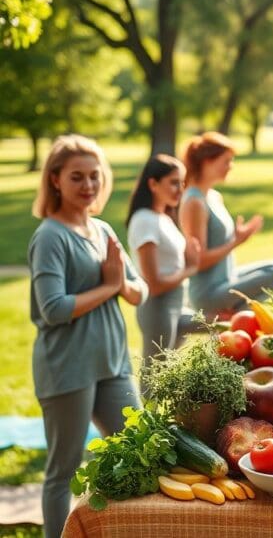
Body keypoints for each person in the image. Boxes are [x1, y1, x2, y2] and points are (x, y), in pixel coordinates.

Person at [28, 135, 147, 538]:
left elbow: (139, 289)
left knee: (138, 451)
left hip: (112, 364)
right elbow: (54, 308)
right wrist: (111, 285)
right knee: (63, 470)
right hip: (68, 368)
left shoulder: (101, 229)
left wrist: (123, 285)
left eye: (95, 176)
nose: (88, 185)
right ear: (55, 180)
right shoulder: (49, 236)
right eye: (77, 177)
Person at [179, 132, 273, 317]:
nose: (231, 166)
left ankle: (234, 317)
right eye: (226, 161)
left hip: (226, 280)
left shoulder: (213, 196)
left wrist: (236, 236)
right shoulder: (194, 202)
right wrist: (236, 242)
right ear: (207, 161)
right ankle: (232, 319)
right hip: (208, 293)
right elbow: (199, 261)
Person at [126, 154, 201, 370]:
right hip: (158, 309)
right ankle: (140, 406)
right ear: (153, 183)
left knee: (168, 375)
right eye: (174, 182)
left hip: (177, 305)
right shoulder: (144, 221)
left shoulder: (164, 217)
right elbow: (154, 285)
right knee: (154, 377)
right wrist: (189, 269)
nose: (180, 189)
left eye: (183, 182)